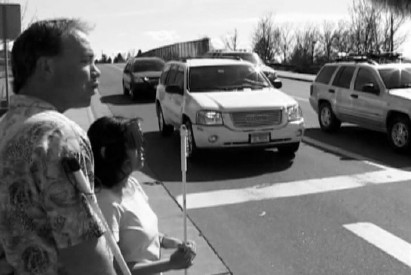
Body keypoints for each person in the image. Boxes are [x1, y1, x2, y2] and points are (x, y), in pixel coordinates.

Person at [0, 19, 117, 275]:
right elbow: (86, 259)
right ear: (46, 67)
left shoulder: (5, 127)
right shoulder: (58, 137)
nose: (96, 71)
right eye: (85, 61)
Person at [87, 116, 196, 275]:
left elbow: (138, 235)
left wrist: (169, 242)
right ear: (112, 153)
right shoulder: (107, 204)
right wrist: (170, 264)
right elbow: (116, 269)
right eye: (134, 143)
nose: (142, 148)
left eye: (141, 141)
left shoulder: (132, 185)